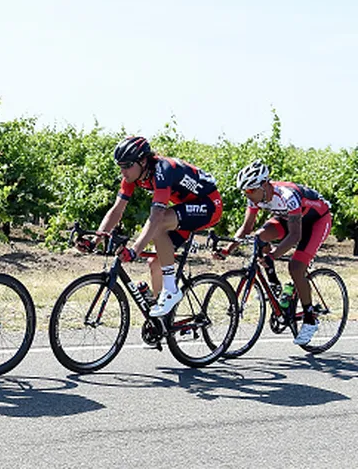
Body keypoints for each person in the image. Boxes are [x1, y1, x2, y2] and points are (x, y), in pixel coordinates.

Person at [86, 136, 223, 317]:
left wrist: (134, 251)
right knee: (155, 263)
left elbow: (157, 216)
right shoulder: (133, 175)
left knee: (160, 223)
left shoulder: (163, 170)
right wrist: (95, 240)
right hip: (184, 210)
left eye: (127, 166)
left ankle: (171, 290)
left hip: (209, 205)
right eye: (120, 166)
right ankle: (164, 319)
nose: (123, 171)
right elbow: (117, 210)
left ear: (143, 161)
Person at [224, 160, 332, 345]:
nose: (248, 195)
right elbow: (247, 228)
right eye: (245, 191)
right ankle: (274, 285)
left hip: (316, 221)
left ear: (264, 184)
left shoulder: (287, 196)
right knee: (259, 237)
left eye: (250, 190)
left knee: (296, 267)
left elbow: (295, 236)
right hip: (289, 219)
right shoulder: (255, 196)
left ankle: (310, 319)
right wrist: (228, 249)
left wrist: (273, 254)